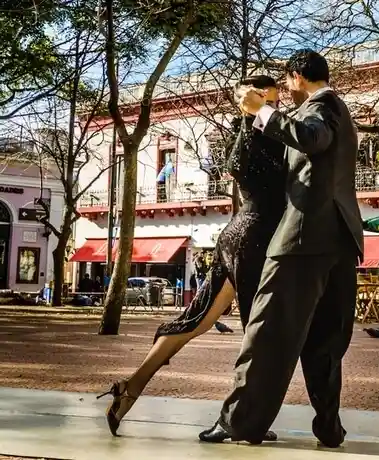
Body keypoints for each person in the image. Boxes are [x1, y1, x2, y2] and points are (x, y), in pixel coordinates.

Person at [97, 75, 288, 440]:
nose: (276, 107)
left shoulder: (245, 136)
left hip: (239, 236)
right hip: (255, 240)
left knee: (196, 321)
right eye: (271, 100)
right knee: (259, 334)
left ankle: (130, 388)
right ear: (257, 99)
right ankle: (244, 419)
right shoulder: (265, 137)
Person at [198, 49, 364, 447]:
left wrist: (262, 111)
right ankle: (329, 427)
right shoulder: (341, 110)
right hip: (340, 240)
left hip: (302, 240)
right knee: (326, 341)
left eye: (288, 83)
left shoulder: (319, 108)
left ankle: (239, 422)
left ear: (297, 77)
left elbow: (311, 138)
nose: (287, 92)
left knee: (266, 332)